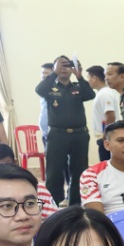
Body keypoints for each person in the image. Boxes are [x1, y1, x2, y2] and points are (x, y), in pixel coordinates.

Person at [36, 55, 94, 207]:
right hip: (57, 134)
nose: (64, 69)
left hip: (79, 134)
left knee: (79, 171)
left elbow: (90, 95)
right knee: (54, 172)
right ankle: (52, 205)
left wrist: (80, 76)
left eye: (67, 66)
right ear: (54, 68)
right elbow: (39, 90)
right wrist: (54, 73)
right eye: (60, 65)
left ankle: (75, 204)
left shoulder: (77, 87)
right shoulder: (50, 87)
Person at [0, 143, 58, 220]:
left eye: (6, 166)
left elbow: (53, 221)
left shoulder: (37, 188)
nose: (1, 172)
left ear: (15, 163)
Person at [85, 65, 119, 162]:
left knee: (108, 166)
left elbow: (110, 115)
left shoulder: (104, 94)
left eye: (88, 78)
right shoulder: (102, 93)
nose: (88, 81)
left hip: (107, 138)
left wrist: (105, 135)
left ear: (94, 78)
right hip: (105, 137)